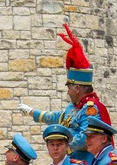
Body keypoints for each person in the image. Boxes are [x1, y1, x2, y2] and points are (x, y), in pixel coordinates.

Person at [19, 24, 110, 157]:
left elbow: (85, 136)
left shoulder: (91, 109)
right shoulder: (73, 108)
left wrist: (64, 149)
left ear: (77, 88)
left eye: (69, 88)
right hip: (70, 159)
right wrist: (32, 112)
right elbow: (56, 117)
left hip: (84, 162)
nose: (68, 92)